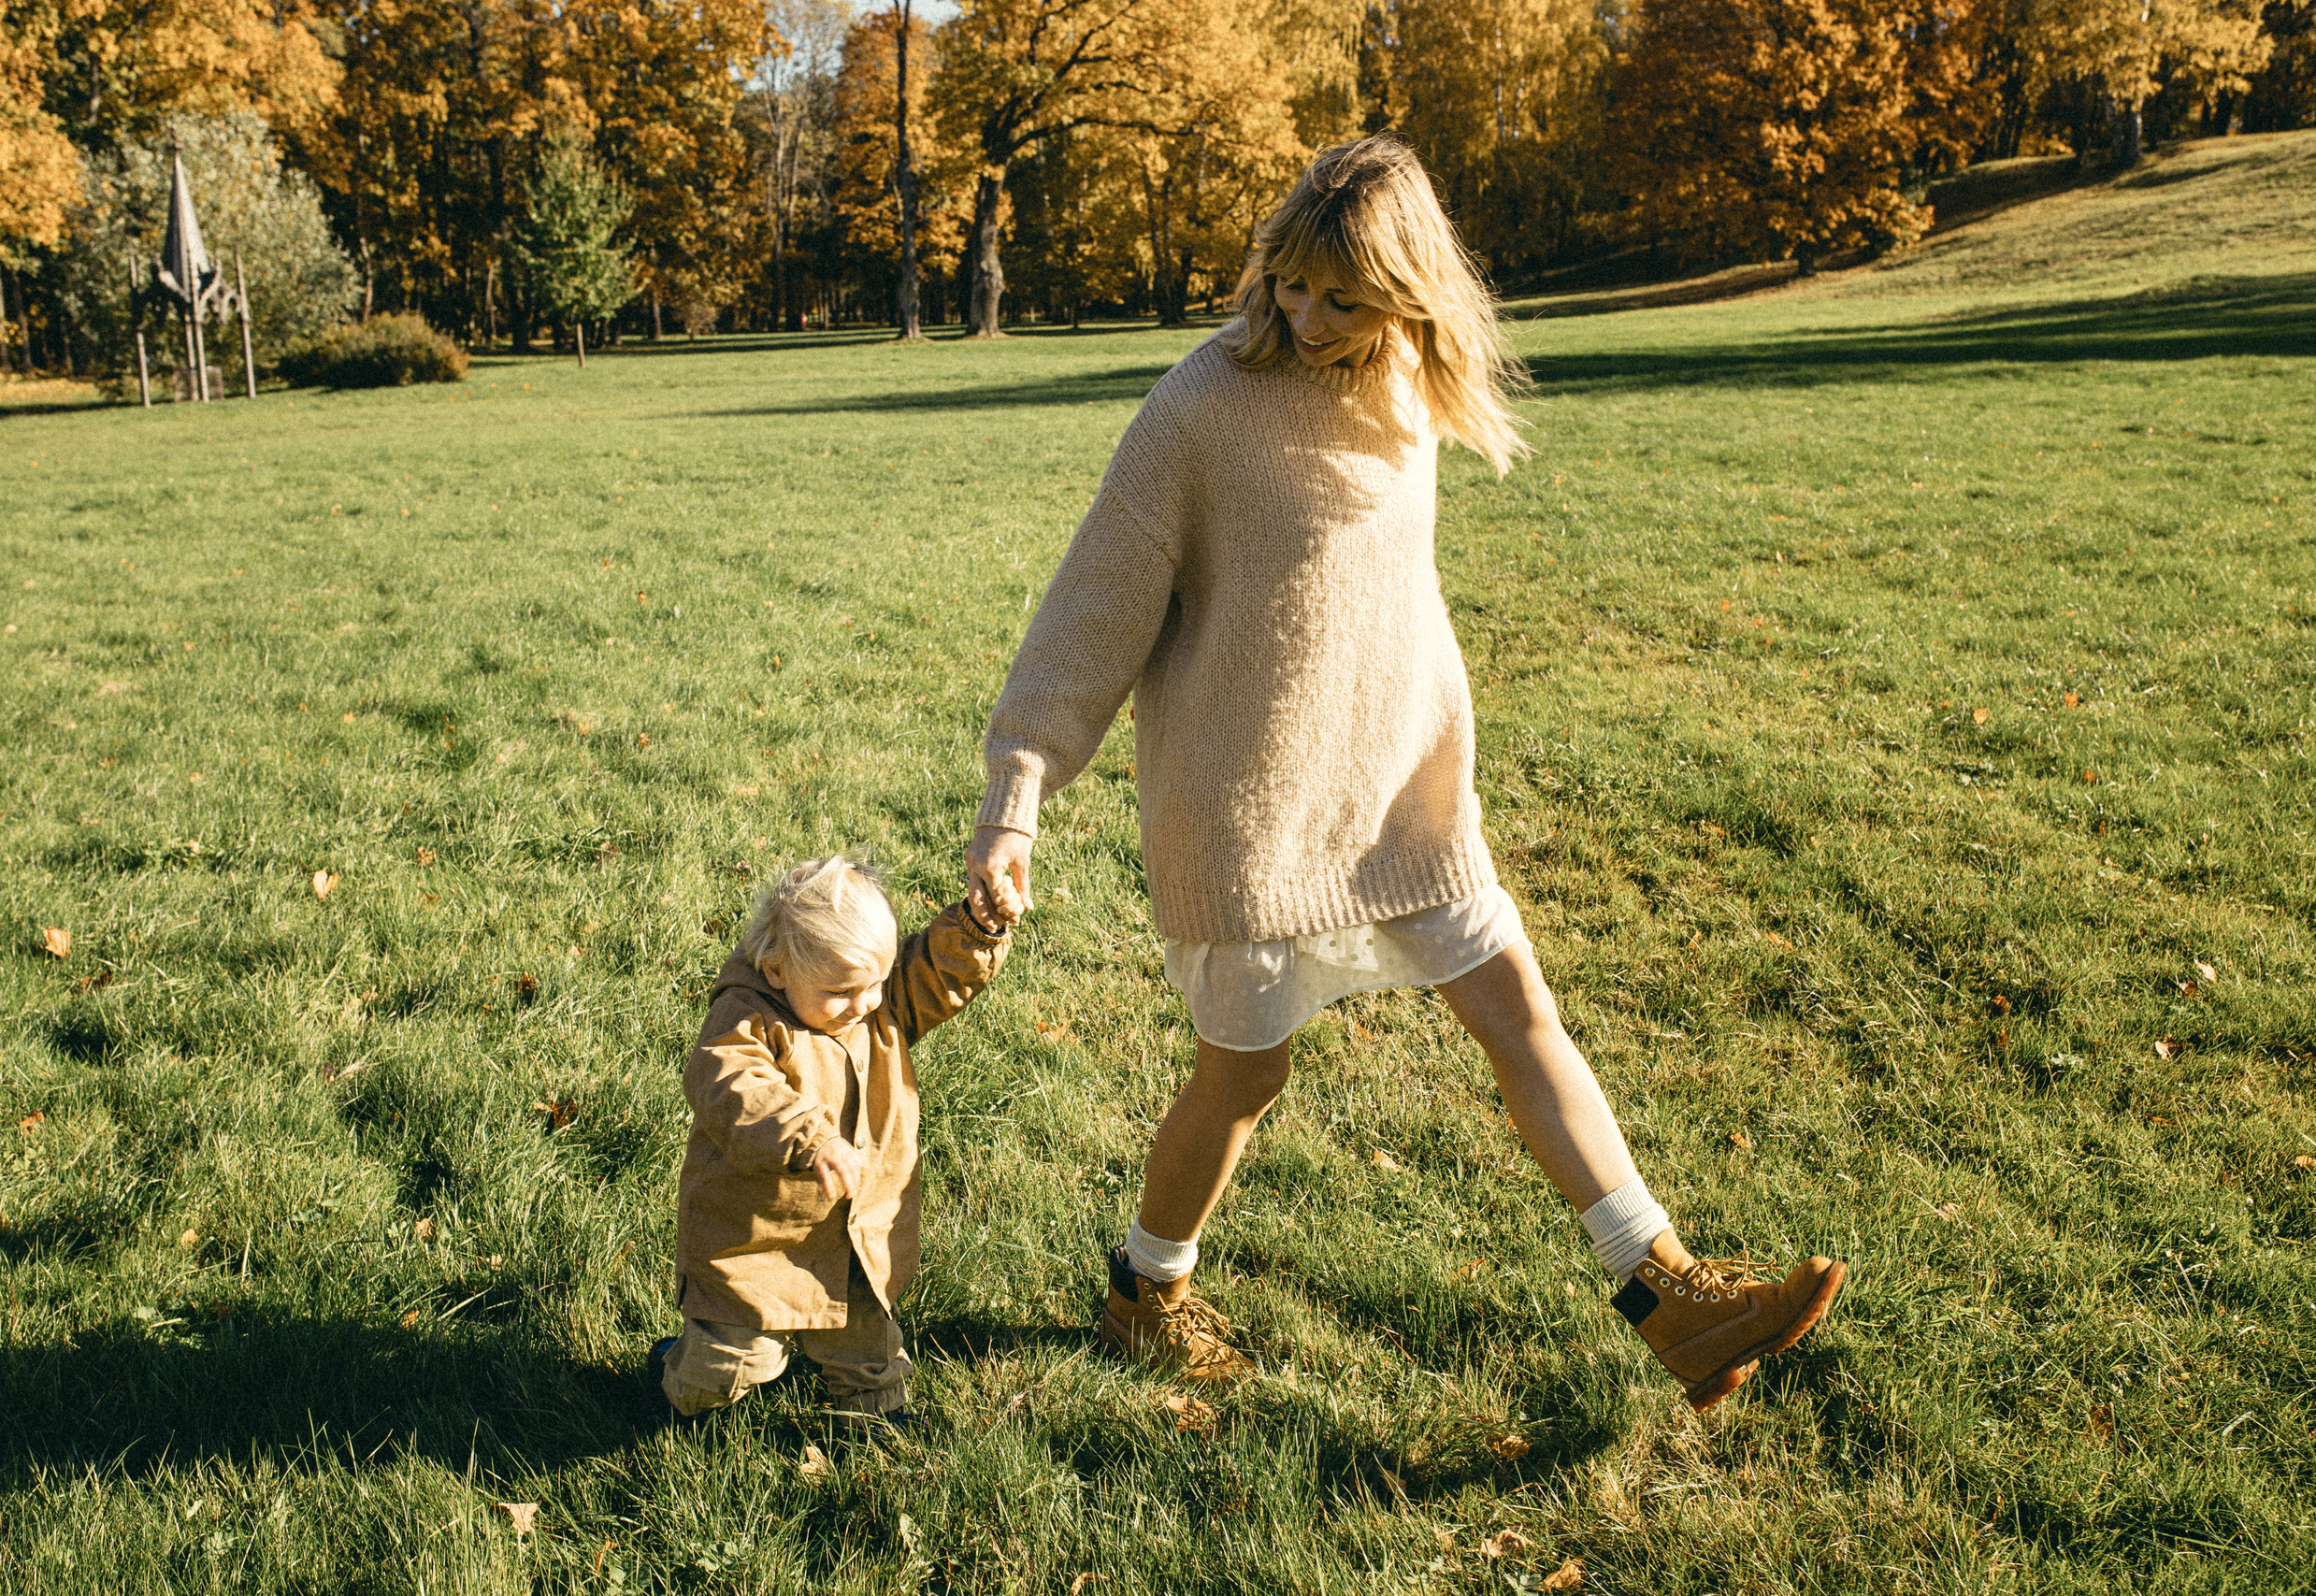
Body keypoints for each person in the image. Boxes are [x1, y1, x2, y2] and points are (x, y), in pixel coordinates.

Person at [965, 136, 1844, 1413]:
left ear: (1406, 291)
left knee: (1518, 1007)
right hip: (1251, 814)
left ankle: (1667, 1292)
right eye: (1291, 283)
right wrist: (1017, 796)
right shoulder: (1199, 406)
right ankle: (1145, 1290)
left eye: (1344, 296)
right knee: (1243, 1076)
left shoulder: (1409, 385)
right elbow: (1092, 608)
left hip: (1401, 792)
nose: (1307, 316)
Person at [651, 854, 1012, 1423]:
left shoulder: (875, 1005)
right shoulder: (745, 1018)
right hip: (758, 1239)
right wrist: (809, 1136)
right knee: (736, 1359)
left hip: (857, 1234)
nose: (865, 1003)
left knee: (868, 1349)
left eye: (876, 983)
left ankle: (876, 1420)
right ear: (777, 971)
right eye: (842, 991)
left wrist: (977, 929)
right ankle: (681, 1377)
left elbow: (936, 973)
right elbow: (733, 1084)